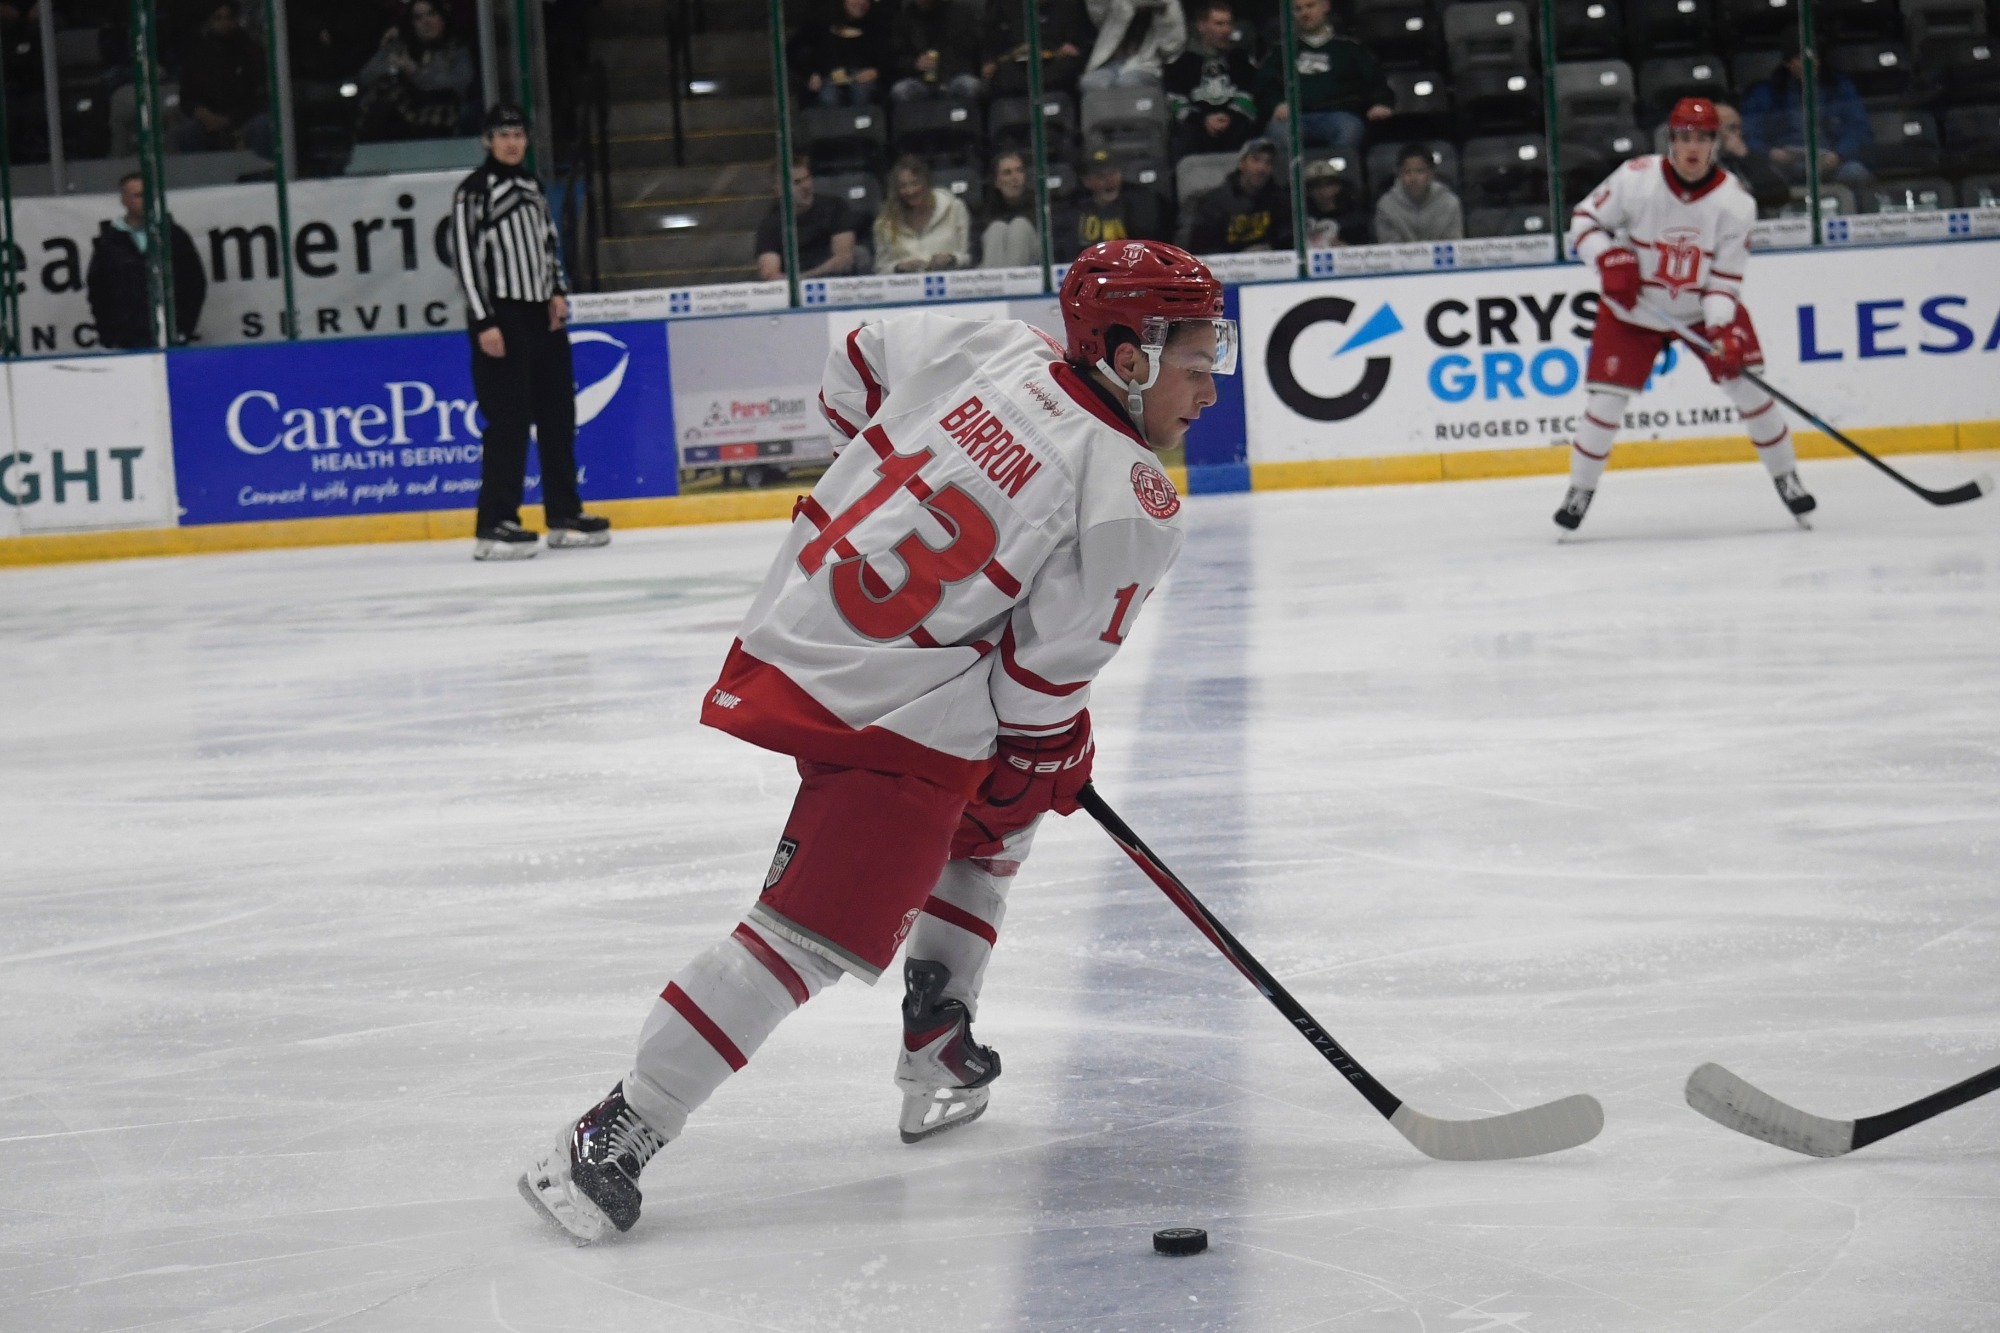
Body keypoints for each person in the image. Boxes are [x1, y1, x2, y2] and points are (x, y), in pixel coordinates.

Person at [516, 239, 1240, 1246]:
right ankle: (613, 1130)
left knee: (995, 820)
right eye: (1199, 361)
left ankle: (938, 1046)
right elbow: (1036, 684)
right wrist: (1054, 751)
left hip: (814, 616)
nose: (1212, 385)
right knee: (809, 933)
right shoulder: (1131, 492)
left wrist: (899, 476)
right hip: (900, 704)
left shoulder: (992, 345)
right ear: (1128, 356)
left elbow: (852, 362)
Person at [1557, 97, 1814, 533]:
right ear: (1670, 141)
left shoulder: (1735, 203)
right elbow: (1582, 222)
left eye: (1702, 138)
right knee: (1605, 403)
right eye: (1683, 137)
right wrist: (1607, 258)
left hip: (1699, 310)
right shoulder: (1635, 178)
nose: (1692, 148)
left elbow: (1724, 281)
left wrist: (1721, 332)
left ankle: (1787, 479)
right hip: (1633, 309)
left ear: (1716, 144)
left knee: (1751, 391)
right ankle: (1578, 492)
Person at [452, 103, 610, 561]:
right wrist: (484, 320)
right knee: (509, 421)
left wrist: (558, 291)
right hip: (501, 316)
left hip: (543, 317)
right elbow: (465, 261)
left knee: (559, 415)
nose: (511, 142)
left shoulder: (531, 185)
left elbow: (548, 244)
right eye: (501, 134)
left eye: (517, 134)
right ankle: (495, 522)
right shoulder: (473, 192)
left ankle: (563, 514)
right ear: (487, 141)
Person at [1254, 0, 1392, 166]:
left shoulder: (1349, 48)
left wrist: (1380, 102)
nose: (1304, 13)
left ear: (1325, 6)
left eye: (1310, 6)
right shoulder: (1281, 50)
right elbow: (1263, 84)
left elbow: (1376, 80)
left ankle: (1334, 181)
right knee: (1276, 131)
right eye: (1298, 9)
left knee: (1350, 128)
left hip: (1338, 116)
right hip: (1294, 117)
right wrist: (1276, 104)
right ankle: (1289, 186)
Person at [85, 172, 207, 350]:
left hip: (170, 335)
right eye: (137, 195)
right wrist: (109, 334)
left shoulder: (173, 235)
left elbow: (194, 284)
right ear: (124, 200)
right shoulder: (110, 242)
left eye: (148, 195)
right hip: (127, 339)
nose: (144, 201)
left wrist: (183, 328)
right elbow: (98, 291)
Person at [1740, 29, 1873, 190]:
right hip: (1783, 167)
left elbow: (1859, 129)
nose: (1810, 63)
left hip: (1830, 163)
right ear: (1787, 63)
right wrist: (1771, 154)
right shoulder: (1764, 94)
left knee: (1855, 173)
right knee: (1764, 179)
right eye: (1801, 58)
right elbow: (1748, 135)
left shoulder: (1839, 87)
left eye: (1814, 56)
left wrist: (1838, 155)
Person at [355, 0, 477, 140]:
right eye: (418, 17)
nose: (426, 21)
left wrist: (415, 72)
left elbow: (459, 82)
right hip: (400, 117)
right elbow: (365, 77)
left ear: (442, 17)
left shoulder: (457, 49)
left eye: (431, 14)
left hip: (440, 114)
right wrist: (390, 62)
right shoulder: (400, 47)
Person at [173, 0, 273, 156]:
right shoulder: (197, 55)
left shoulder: (251, 51)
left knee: (263, 125)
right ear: (210, 22)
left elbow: (260, 97)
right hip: (207, 122)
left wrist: (231, 119)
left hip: (244, 120)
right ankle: (202, 178)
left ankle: (259, 177)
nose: (224, 23)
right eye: (218, 18)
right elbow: (187, 97)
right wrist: (201, 113)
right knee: (186, 132)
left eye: (228, 17)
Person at [1163, 0, 1259, 155]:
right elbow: (1176, 101)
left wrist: (1230, 117)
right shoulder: (1181, 64)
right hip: (1196, 130)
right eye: (1219, 24)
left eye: (1229, 24)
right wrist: (1203, 120)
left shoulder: (1241, 59)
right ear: (1201, 26)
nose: (1226, 30)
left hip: (1235, 127)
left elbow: (1250, 94)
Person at [755, 156, 858, 279]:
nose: (806, 186)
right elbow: (770, 275)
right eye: (797, 182)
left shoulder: (835, 207)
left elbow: (844, 260)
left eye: (807, 178)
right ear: (779, 190)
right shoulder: (770, 225)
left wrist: (801, 280)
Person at [1185, 137, 1290, 252]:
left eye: (1268, 162)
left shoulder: (1280, 200)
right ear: (1242, 164)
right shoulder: (1214, 201)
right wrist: (1240, 257)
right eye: (1256, 160)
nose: (1262, 168)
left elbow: (1287, 240)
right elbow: (1201, 249)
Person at [873, 156, 972, 272]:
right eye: (903, 186)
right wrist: (900, 267)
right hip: (906, 286)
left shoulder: (955, 208)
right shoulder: (885, 223)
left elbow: (967, 257)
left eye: (915, 183)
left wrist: (951, 259)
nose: (910, 191)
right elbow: (880, 268)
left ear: (926, 182)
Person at [982, 0, 1088, 97]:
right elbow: (989, 43)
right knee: (1001, 75)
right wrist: (989, 62)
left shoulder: (1071, 5)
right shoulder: (1002, 5)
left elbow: (1083, 42)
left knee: (1069, 67)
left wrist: (1074, 49)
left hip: (1056, 61)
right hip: (1015, 62)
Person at [1072, 149, 1169, 254]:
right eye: (1101, 176)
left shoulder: (1140, 205)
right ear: (1087, 181)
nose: (1109, 180)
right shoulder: (1077, 211)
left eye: (1113, 173)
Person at [888, 0, 984, 104]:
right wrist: (915, 63)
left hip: (954, 76)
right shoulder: (905, 18)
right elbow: (897, 57)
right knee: (900, 90)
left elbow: (971, 50)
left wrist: (947, 66)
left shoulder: (959, 14)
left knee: (970, 86)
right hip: (920, 80)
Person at [1081, 0, 1188, 92]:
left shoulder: (1169, 4)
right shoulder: (1120, 2)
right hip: (1112, 63)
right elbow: (1098, 14)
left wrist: (1162, 14)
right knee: (1091, 82)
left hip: (1145, 66)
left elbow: (1171, 49)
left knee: (1128, 83)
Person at [803, 0, 891, 107]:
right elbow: (797, 51)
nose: (861, 3)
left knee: (862, 92)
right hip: (827, 79)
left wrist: (877, 71)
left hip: (863, 80)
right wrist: (811, 73)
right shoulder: (821, 22)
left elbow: (889, 57)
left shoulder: (877, 23)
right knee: (829, 96)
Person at [1373, 144, 1463, 243]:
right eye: (1407, 172)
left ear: (1431, 174)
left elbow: (1453, 245)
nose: (1413, 178)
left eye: (1420, 171)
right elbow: (1390, 249)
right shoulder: (1386, 206)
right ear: (1400, 175)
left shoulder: (1450, 203)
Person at [1716, 100, 1792, 215]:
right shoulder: (1702, 163)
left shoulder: (1744, 158)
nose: (1739, 133)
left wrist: (1745, 156)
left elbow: (1780, 194)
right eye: (1732, 128)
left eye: (1739, 128)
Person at [978, 149, 1042, 268]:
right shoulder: (987, 208)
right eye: (1007, 173)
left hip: (1035, 265)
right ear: (997, 182)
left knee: (1020, 225)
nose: (1015, 178)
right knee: (996, 228)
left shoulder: (1039, 202)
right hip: (992, 266)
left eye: (1019, 171)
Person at [1303, 158, 1372, 247]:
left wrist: (1348, 248)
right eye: (1316, 186)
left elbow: (1367, 249)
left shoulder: (1355, 219)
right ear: (1308, 191)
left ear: (1338, 186)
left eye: (1328, 184)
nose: (1323, 191)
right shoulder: (1299, 219)